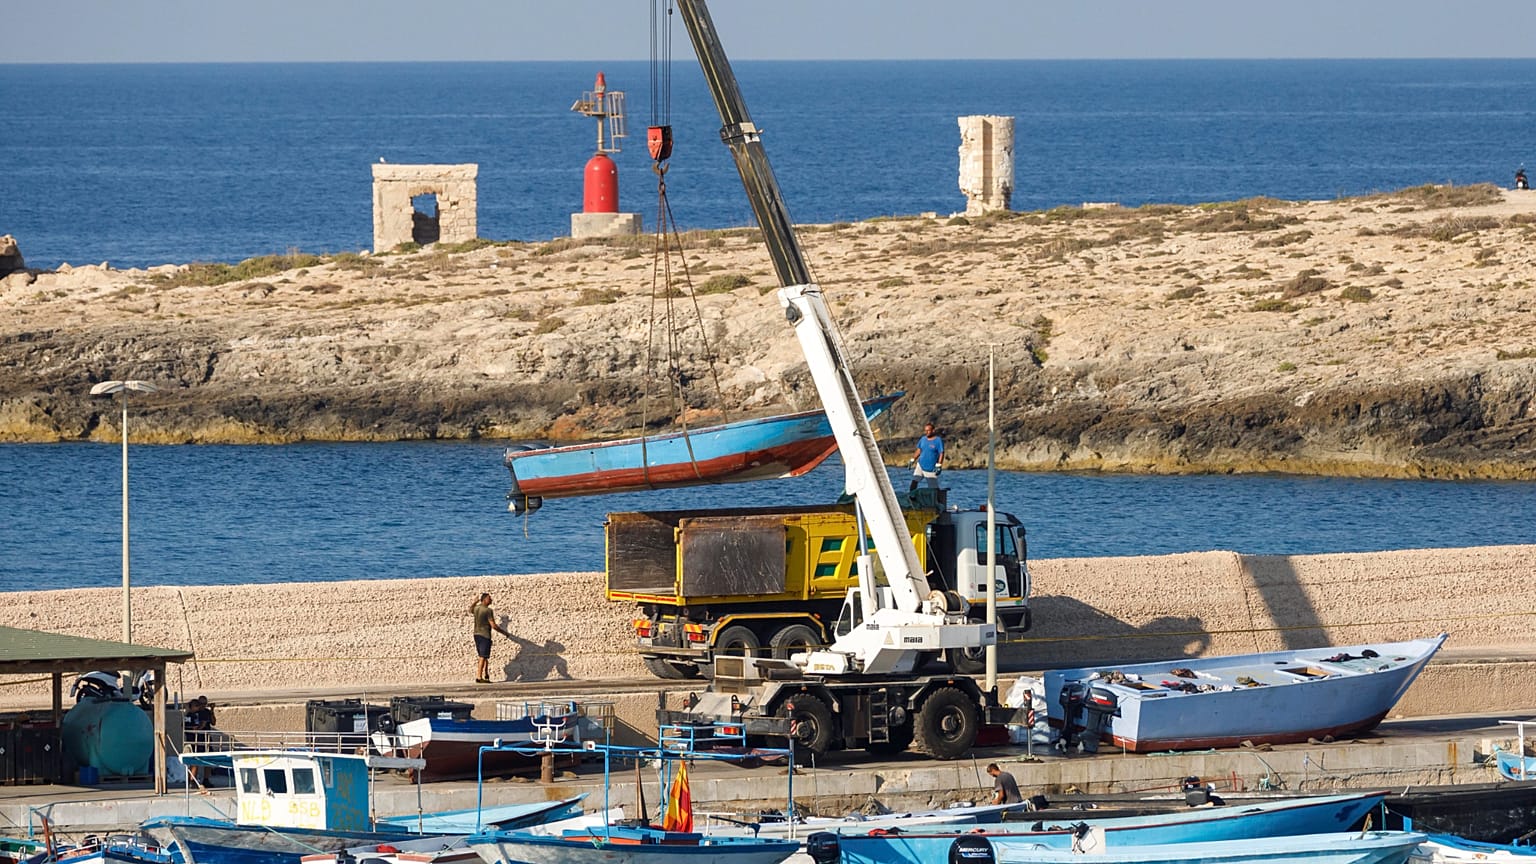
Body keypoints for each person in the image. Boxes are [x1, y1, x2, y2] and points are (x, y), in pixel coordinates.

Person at [471, 592, 512, 683]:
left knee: (484, 656)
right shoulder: (488, 610)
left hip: (476, 634)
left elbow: (471, 609)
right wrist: (504, 632)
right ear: (485, 599)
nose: (491, 600)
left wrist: (475, 601)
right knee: (483, 656)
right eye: (489, 598)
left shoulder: (476, 608)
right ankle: (479, 677)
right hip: (485, 635)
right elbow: (493, 625)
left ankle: (486, 675)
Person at [908, 422, 945, 491]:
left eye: (928, 430)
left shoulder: (938, 440)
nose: (926, 432)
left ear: (933, 430)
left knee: (934, 488)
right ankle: (911, 497)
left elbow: (941, 453)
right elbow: (919, 450)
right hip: (920, 465)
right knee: (914, 481)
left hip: (931, 468)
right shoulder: (923, 439)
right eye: (925, 430)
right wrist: (912, 460)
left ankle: (938, 500)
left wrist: (939, 465)